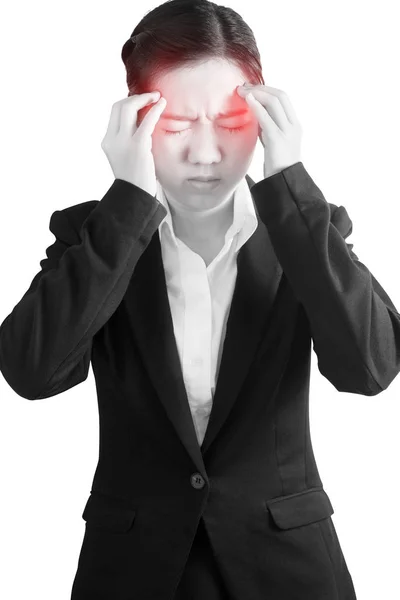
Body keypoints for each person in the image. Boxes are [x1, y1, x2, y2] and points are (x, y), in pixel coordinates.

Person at [1, 1, 400, 599]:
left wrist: (289, 178)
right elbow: (33, 373)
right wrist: (127, 201)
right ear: (133, 120)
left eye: (233, 124)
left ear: (266, 117)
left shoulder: (303, 229)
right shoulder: (94, 236)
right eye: (179, 124)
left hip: (289, 572)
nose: (207, 153)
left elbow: (369, 370)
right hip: (133, 572)